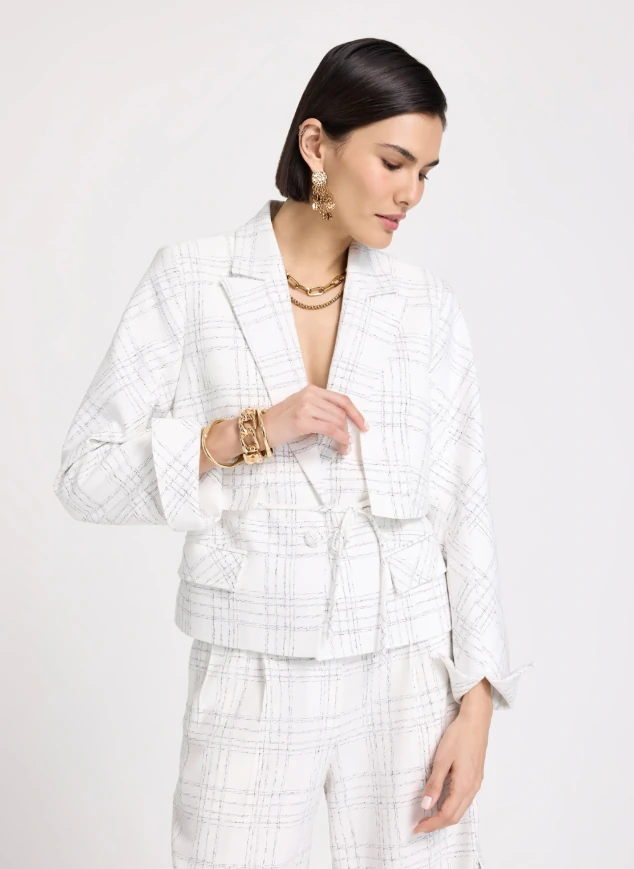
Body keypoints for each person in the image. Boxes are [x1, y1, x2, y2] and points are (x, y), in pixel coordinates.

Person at [53, 36, 535, 869]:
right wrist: (243, 434)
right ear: (317, 144)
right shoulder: (191, 281)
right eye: (393, 162)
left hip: (405, 670)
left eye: (426, 172)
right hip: (251, 665)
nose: (411, 193)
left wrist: (478, 699)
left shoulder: (426, 308)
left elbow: (466, 510)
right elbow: (83, 473)